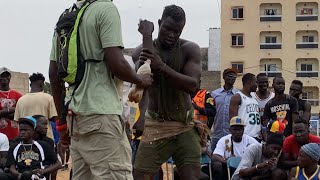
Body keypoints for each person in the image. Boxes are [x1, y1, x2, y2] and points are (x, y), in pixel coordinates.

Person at [49, 0, 152, 179]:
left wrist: (62, 125)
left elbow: (53, 75)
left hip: (76, 119)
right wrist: (140, 79)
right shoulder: (105, 9)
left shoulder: (66, 18)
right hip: (103, 116)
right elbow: (116, 63)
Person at [132, 5, 202, 179]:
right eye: (167, 29)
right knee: (139, 176)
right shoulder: (141, 50)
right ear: (159, 23)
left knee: (192, 177)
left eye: (176, 31)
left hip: (183, 125)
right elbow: (143, 84)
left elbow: (193, 85)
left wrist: (161, 66)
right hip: (156, 124)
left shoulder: (189, 49)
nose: (171, 34)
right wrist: (141, 117)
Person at [14, 73, 58, 140]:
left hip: (26, 139)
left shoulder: (21, 100)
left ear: (30, 85)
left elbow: (17, 120)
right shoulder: (49, 98)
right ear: (42, 85)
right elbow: (54, 118)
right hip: (45, 138)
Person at [211, 68, 238, 151]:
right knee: (215, 157)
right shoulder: (214, 94)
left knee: (229, 158)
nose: (232, 78)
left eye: (234, 77)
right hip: (217, 133)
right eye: (230, 76)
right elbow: (211, 112)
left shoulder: (238, 95)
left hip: (231, 134)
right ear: (224, 77)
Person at [229, 73, 261, 140]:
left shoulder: (254, 99)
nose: (257, 85)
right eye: (255, 82)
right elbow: (233, 120)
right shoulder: (237, 97)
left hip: (256, 137)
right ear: (250, 82)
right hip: (245, 137)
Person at [0, 67, 22, 141]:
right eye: (2, 76)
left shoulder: (18, 95)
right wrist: (11, 110)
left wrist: (4, 112)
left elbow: (21, 113)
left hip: (15, 136)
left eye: (7, 76)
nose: (5, 78)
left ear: (10, 77)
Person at [251, 73, 275, 141]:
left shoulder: (273, 97)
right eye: (261, 82)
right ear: (257, 83)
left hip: (269, 131)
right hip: (254, 132)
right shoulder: (251, 96)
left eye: (266, 82)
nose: (264, 84)